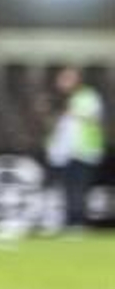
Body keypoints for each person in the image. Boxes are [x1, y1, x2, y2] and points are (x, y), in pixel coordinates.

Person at [44, 66, 105, 230]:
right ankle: (69, 222)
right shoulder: (62, 99)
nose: (62, 82)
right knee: (66, 189)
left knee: (79, 188)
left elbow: (92, 116)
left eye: (66, 78)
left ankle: (78, 223)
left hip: (84, 151)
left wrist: (71, 112)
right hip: (64, 154)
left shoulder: (87, 96)